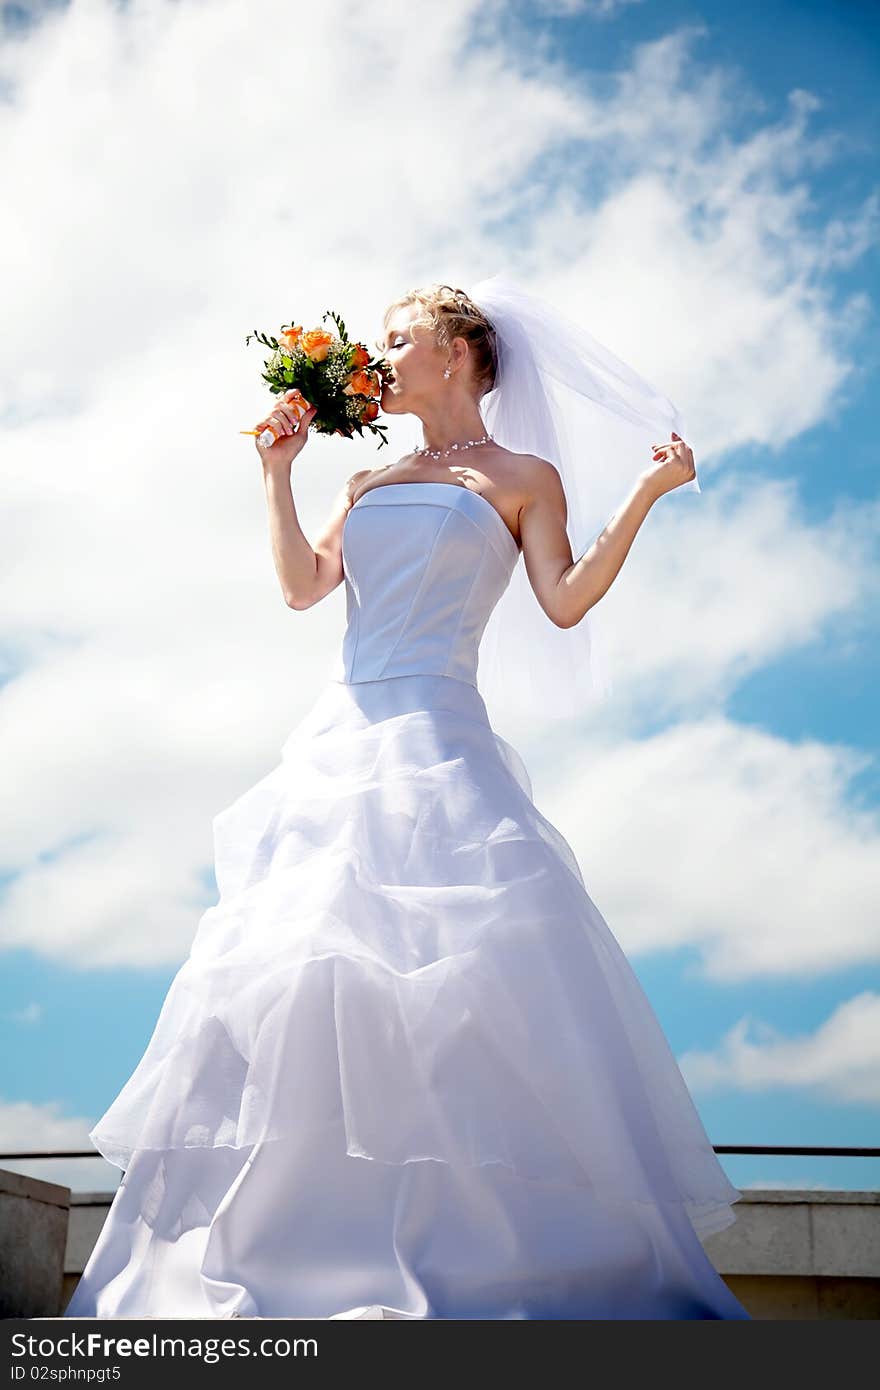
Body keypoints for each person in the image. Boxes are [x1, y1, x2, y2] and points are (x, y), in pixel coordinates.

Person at [64, 283, 750, 1320]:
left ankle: (477, 1257)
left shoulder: (523, 476)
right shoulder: (368, 472)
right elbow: (304, 587)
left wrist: (649, 494)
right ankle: (294, 1250)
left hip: (443, 742)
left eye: (399, 338)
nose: (378, 355)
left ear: (465, 352)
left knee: (476, 994)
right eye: (377, 341)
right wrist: (277, 474)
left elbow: (563, 601)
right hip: (339, 747)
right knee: (297, 981)